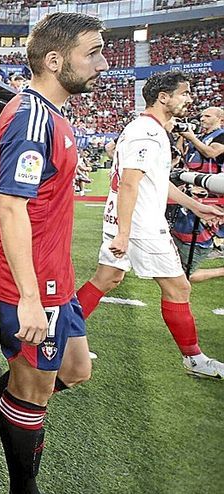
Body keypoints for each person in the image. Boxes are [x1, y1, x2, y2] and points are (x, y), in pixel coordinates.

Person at [0, 13, 108, 494]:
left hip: (55, 275)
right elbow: (9, 208)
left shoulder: (52, 114)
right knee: (34, 392)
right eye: (91, 52)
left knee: (74, 370)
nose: (102, 62)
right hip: (31, 282)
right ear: (55, 60)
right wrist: (30, 296)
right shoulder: (31, 117)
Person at [76, 70, 224, 379]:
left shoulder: (150, 129)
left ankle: (61, 336)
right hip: (140, 226)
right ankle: (193, 358)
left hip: (128, 221)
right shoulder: (147, 131)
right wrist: (125, 234)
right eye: (184, 93)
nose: (190, 99)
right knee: (179, 287)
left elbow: (155, 183)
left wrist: (197, 206)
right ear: (164, 97)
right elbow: (130, 183)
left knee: (108, 278)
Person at [182, 106, 224, 173]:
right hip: (191, 177)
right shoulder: (199, 137)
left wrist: (192, 138)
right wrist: (181, 134)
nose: (202, 119)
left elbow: (211, 153)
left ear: (221, 120)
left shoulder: (221, 134)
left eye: (207, 116)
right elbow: (181, 153)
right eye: (201, 116)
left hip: (211, 179)